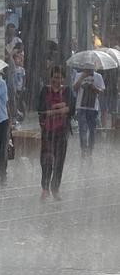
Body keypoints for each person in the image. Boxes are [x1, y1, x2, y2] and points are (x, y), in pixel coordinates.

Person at [36, 66, 75, 201]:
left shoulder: (67, 91)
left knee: (59, 160)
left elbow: (71, 109)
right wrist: (62, 107)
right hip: (47, 131)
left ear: (63, 78)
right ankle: (45, 188)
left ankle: (55, 188)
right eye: (54, 77)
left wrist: (54, 109)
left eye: (59, 77)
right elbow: (41, 110)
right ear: (50, 77)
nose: (56, 80)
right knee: (46, 160)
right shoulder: (44, 90)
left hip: (61, 131)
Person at [73, 67, 105, 158]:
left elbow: (102, 90)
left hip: (93, 108)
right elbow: (75, 88)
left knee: (92, 130)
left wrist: (94, 88)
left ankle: (90, 150)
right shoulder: (79, 75)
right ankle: (83, 150)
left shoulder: (98, 76)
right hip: (81, 107)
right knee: (82, 129)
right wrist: (82, 77)